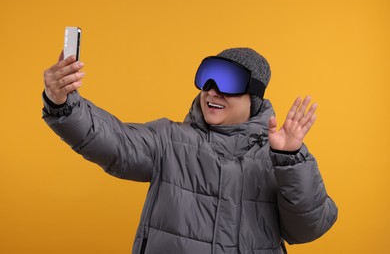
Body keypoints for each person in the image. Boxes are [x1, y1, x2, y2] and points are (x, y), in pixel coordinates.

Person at [42, 47, 338, 254]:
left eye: (229, 82)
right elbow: (116, 142)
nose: (213, 91)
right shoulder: (169, 140)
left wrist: (290, 160)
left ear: (255, 99)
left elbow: (307, 228)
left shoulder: (279, 157)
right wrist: (63, 104)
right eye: (207, 79)